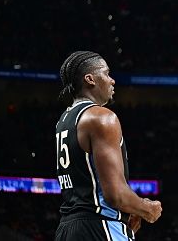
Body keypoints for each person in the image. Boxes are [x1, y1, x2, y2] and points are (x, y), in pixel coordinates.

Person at [54, 51, 162, 240]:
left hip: (67, 229)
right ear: (90, 79)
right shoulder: (101, 117)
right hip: (99, 226)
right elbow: (115, 194)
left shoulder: (64, 120)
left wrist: (131, 208)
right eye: (107, 73)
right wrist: (147, 208)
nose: (112, 81)